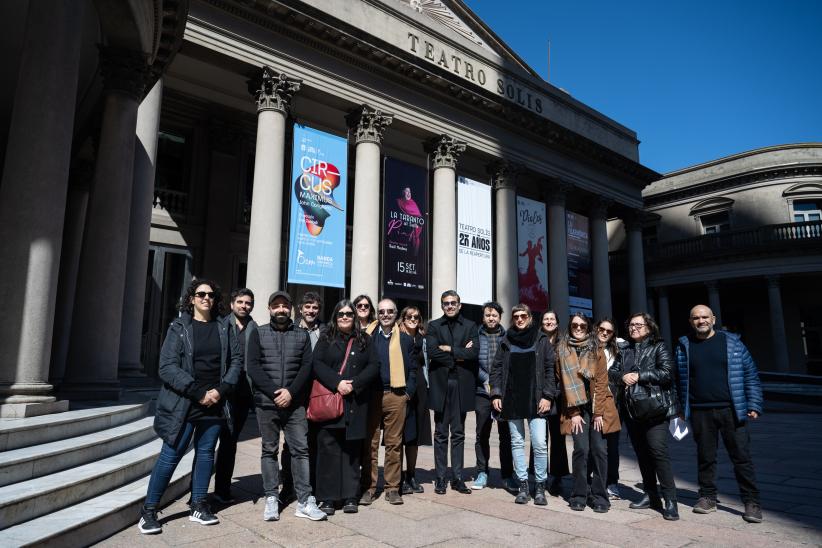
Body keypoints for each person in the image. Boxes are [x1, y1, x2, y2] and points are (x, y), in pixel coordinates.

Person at [138, 279, 241, 534]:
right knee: (171, 455)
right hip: (185, 402)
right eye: (201, 294)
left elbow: (236, 362)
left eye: (211, 295)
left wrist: (220, 390)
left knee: (206, 454)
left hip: (215, 402)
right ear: (192, 298)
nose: (206, 298)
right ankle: (149, 510)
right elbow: (167, 367)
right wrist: (198, 392)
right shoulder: (179, 327)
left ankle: (198, 503)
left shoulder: (224, 327)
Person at [675, 304, 763, 523]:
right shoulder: (683, 345)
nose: (701, 321)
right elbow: (680, 381)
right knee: (706, 458)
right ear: (690, 321)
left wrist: (754, 404)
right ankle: (707, 497)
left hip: (731, 410)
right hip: (700, 411)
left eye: (705, 317)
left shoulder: (732, 342)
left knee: (741, 458)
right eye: (696, 318)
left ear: (713, 319)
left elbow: (750, 374)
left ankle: (751, 502)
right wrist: (680, 409)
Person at [245, 291, 326, 522]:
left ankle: (304, 500)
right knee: (268, 450)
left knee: (300, 449)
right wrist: (274, 393)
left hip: (295, 403)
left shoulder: (301, 335)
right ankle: (271, 496)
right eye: (276, 306)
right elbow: (253, 366)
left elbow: (306, 367)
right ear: (270, 308)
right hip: (266, 404)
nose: (281, 309)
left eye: (284, 306)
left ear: (291, 309)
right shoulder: (258, 333)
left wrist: (290, 392)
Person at [311, 299, 379, 514]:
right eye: (341, 314)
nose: (345, 317)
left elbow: (374, 366)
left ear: (354, 317)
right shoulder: (325, 338)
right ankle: (329, 498)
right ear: (335, 316)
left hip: (355, 403)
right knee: (329, 450)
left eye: (349, 314)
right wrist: (337, 383)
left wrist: (355, 384)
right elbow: (317, 364)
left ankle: (351, 496)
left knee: (351, 453)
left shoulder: (365, 340)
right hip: (331, 401)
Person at [612, 312, 680, 521]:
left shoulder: (658, 346)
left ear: (649, 327)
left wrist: (640, 376)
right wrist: (622, 375)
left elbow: (667, 373)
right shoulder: (625, 350)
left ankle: (670, 500)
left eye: (639, 325)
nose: (634, 328)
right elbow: (612, 372)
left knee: (658, 453)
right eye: (631, 325)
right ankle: (651, 495)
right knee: (642, 454)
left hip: (655, 410)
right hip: (632, 411)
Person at [490, 304, 556, 505]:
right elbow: (497, 369)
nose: (519, 319)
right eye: (516, 316)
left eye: (523, 315)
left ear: (529, 317)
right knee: (517, 443)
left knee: (539, 444)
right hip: (512, 399)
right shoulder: (506, 340)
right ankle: (523, 486)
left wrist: (548, 396)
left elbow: (549, 370)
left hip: (536, 400)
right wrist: (496, 394)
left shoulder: (541, 339)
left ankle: (540, 487)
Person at [556, 312, 620, 513]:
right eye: (575, 325)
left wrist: (599, 412)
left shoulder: (597, 350)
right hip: (576, 409)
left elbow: (601, 382)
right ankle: (579, 494)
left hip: (596, 407)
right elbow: (563, 385)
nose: (578, 328)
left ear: (587, 327)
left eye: (582, 326)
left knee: (600, 450)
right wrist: (574, 412)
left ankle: (600, 495)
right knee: (581, 450)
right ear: (570, 327)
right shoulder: (562, 350)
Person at [360, 299, 417, 506]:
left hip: (396, 396)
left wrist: (407, 394)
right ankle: (368, 487)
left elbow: (414, 370)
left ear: (396, 314)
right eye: (382, 311)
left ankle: (392, 488)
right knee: (370, 444)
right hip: (372, 395)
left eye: (390, 311)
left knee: (394, 444)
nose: (385, 314)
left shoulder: (405, 339)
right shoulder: (367, 337)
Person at [426, 290, 479, 494]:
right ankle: (440, 478)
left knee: (458, 433)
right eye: (446, 303)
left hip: (461, 384)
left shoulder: (470, 326)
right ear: (442, 306)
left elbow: (473, 352)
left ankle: (457, 478)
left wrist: (449, 349)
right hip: (441, 383)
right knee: (440, 433)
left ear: (460, 305)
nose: (449, 306)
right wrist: (458, 354)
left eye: (453, 303)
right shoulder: (433, 326)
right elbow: (432, 351)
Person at [213, 288, 257, 504]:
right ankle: (201, 492)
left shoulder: (255, 329)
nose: (243, 306)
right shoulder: (220, 325)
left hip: (243, 394)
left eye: (248, 303)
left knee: (230, 442)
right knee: (211, 441)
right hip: (220, 392)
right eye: (240, 302)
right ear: (232, 304)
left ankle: (222, 490)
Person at [281, 290, 325, 503]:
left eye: (315, 307)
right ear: (300, 309)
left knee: (314, 443)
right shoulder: (289, 329)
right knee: (291, 444)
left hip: (318, 394)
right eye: (307, 307)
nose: (311, 311)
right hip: (295, 393)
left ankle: (312, 487)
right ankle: (288, 486)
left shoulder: (324, 331)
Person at [471, 301, 513, 490]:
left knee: (506, 436)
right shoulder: (476, 336)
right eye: (488, 315)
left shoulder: (508, 337)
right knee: (482, 434)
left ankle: (506, 475)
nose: (491, 318)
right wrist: (487, 381)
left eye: (494, 315)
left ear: (499, 317)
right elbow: (473, 363)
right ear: (483, 317)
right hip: (482, 391)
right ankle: (482, 471)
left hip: (504, 393)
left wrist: (497, 385)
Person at [398, 305, 432, 494]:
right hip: (400, 388)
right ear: (403, 318)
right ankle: (399, 477)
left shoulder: (422, 338)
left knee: (414, 436)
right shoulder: (396, 337)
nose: (413, 319)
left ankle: (411, 475)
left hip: (420, 390)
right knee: (400, 435)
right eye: (409, 316)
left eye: (416, 317)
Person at [593, 319, 624, 500]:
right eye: (602, 329)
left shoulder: (618, 350)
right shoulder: (588, 348)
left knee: (612, 446)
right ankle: (595, 481)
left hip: (612, 404)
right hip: (593, 403)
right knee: (596, 446)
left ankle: (612, 483)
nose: (604, 333)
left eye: (609, 331)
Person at [540, 310, 570, 496]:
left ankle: (557, 477)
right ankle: (538, 475)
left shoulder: (563, 343)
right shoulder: (537, 340)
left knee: (557, 439)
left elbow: (565, 372)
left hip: (558, 397)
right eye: (546, 319)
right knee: (539, 439)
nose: (549, 321)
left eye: (552, 319)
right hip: (539, 397)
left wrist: (553, 393)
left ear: (557, 323)